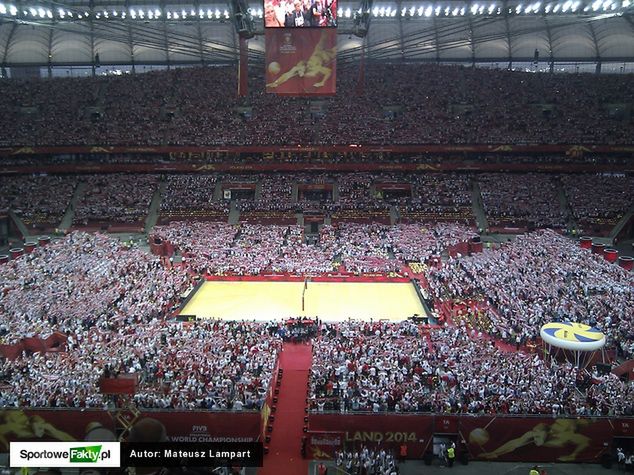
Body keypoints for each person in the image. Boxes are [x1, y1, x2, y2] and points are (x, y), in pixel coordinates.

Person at [266, 30, 336, 89]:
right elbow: (328, 71)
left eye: (300, 70)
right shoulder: (313, 71)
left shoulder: (299, 67)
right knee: (336, 49)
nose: (299, 71)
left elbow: (286, 75)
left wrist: (276, 83)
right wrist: (322, 82)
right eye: (300, 72)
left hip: (317, 51)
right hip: (327, 55)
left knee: (324, 36)